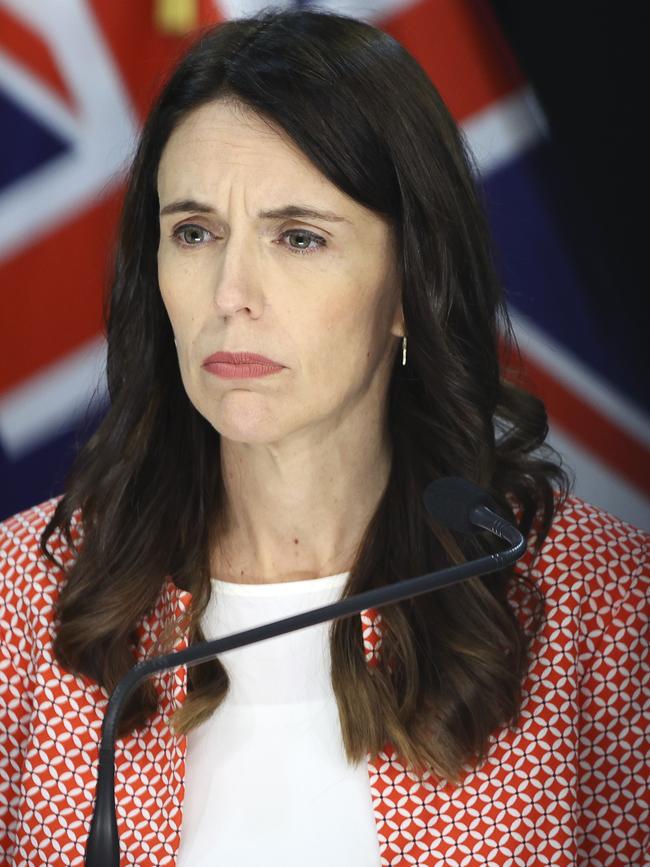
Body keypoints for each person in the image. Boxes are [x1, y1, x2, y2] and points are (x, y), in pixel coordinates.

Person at [1, 7, 647, 866]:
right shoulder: (20, 600)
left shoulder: (599, 604)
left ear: (410, 287)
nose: (231, 292)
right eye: (194, 232)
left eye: (298, 237)